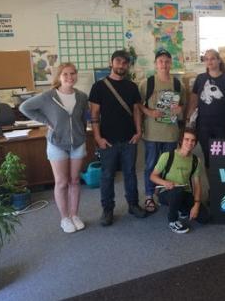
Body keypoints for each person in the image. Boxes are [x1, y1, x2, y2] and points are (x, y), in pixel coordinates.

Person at [19, 63, 89, 233]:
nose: (70, 77)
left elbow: (82, 118)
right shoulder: (48, 96)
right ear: (59, 76)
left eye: (73, 73)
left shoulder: (81, 96)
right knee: (61, 182)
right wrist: (46, 121)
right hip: (57, 144)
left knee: (74, 181)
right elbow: (24, 107)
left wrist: (81, 131)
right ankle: (64, 218)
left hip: (78, 143)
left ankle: (74, 215)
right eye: (65, 74)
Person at [89, 49, 147, 226]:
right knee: (107, 175)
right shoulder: (99, 86)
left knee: (130, 173)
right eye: (118, 61)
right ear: (111, 63)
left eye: (125, 62)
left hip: (129, 139)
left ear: (128, 65)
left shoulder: (132, 86)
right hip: (108, 140)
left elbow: (136, 111)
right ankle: (107, 210)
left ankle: (133, 204)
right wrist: (98, 137)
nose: (121, 65)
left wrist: (138, 132)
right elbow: (94, 114)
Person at [139, 49, 185, 213]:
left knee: (169, 165)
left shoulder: (178, 84)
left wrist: (179, 109)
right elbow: (138, 105)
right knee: (151, 165)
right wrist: (150, 112)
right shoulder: (147, 83)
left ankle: (166, 193)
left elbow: (182, 106)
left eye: (167, 61)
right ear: (155, 64)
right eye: (160, 61)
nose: (164, 64)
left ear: (170, 63)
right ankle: (149, 196)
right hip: (152, 133)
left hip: (171, 133)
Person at [186, 49, 225, 167]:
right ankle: (212, 185)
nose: (209, 61)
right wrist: (189, 118)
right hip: (204, 126)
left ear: (219, 60)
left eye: (213, 58)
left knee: (224, 158)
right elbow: (194, 100)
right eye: (206, 59)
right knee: (208, 158)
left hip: (224, 126)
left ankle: (222, 185)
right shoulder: (200, 78)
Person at [150, 128, 206, 234]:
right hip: (166, 193)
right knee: (177, 191)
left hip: (185, 192)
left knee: (204, 218)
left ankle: (181, 207)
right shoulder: (167, 156)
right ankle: (173, 220)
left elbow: (197, 185)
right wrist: (165, 183)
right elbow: (153, 176)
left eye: (193, 140)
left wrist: (197, 205)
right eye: (187, 139)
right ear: (181, 140)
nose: (190, 143)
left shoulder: (195, 160)